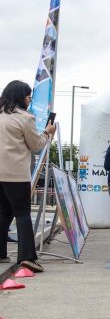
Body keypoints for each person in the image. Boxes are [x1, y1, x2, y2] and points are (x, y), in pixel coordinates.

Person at [0, 80, 56, 272]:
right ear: (20, 97)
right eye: (28, 96)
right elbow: (36, 145)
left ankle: (1, 252)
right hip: (15, 174)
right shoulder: (25, 118)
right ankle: (27, 257)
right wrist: (48, 133)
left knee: (3, 213)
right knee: (22, 214)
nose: (30, 100)